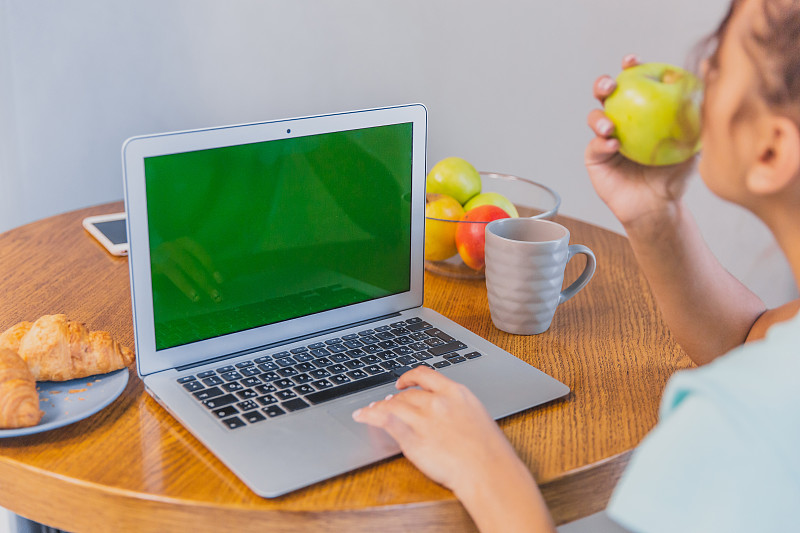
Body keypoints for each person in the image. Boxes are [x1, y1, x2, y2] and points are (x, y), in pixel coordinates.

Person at [352, 0, 800, 531]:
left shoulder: (739, 425)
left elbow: (758, 385)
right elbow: (754, 342)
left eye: (718, 61)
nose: (698, 74)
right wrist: (653, 214)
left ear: (771, 152)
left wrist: (483, 465)